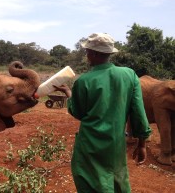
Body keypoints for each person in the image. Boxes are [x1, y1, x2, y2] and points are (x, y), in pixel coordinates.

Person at [54, 33, 152, 193]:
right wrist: (142, 144)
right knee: (118, 180)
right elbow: (139, 114)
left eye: (87, 52)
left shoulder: (83, 81)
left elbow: (78, 112)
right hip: (116, 146)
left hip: (89, 147)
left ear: (92, 53)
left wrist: (69, 93)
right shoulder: (129, 75)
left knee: (90, 182)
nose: (86, 55)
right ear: (109, 53)